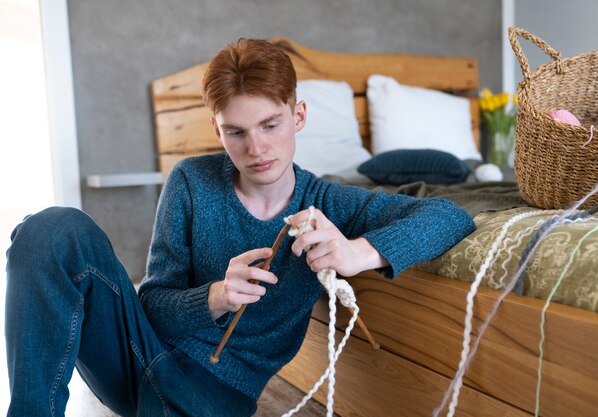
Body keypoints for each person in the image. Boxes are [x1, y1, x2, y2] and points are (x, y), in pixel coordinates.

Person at [4, 38, 475, 417]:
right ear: (217, 131)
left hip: (213, 398)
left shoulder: (330, 204)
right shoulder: (190, 180)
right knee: (51, 228)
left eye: (271, 124)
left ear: (299, 115)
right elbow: (153, 303)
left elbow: (452, 215)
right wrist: (215, 297)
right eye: (237, 132)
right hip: (138, 358)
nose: (256, 148)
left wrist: (358, 252)